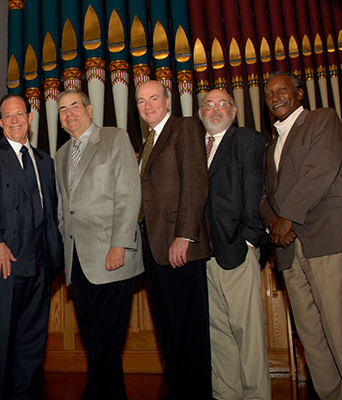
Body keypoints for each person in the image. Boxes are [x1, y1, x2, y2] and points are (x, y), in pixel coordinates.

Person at [260, 71, 342, 399]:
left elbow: (319, 171)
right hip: (289, 250)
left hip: (327, 240)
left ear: (299, 94)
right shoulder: (270, 148)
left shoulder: (322, 120)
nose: (275, 97)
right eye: (269, 94)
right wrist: (273, 226)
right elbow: (264, 197)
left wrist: (287, 218)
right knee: (312, 338)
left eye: (282, 90)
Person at [0, 94, 63, 399]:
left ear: (30, 116)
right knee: (0, 341)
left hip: (40, 262)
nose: (14, 120)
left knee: (32, 339)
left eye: (19, 114)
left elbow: (50, 210)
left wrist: (55, 257)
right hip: (5, 260)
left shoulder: (44, 161)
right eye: (7, 116)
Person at [54, 89, 143, 399]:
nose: (68, 114)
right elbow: (64, 207)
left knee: (108, 336)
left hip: (111, 255)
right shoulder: (61, 154)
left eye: (74, 106)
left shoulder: (114, 138)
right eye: (62, 110)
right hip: (77, 260)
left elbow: (129, 194)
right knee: (93, 337)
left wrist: (120, 244)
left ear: (90, 110)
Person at [136, 80, 211, 399]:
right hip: (155, 249)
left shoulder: (185, 128)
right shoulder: (147, 142)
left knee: (188, 332)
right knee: (168, 332)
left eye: (154, 98)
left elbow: (195, 184)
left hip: (179, 246)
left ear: (168, 101)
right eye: (141, 101)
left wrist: (184, 235)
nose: (147, 105)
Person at [198, 89, 270, 399]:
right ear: (200, 113)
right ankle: (226, 394)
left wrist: (250, 240)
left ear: (235, 110)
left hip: (237, 251)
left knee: (247, 335)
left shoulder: (246, 139)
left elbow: (254, 189)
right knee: (219, 335)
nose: (215, 110)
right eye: (209, 105)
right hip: (205, 255)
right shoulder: (196, 146)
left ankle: (256, 395)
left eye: (222, 104)